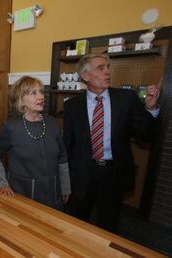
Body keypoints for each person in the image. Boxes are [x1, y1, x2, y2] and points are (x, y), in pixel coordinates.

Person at [63, 53, 161, 233]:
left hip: (113, 172)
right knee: (77, 220)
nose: (108, 72)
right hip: (83, 171)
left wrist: (151, 108)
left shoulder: (126, 98)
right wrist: (64, 178)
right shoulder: (72, 106)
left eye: (108, 67)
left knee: (109, 223)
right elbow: (68, 144)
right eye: (100, 68)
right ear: (85, 76)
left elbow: (146, 135)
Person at [0, 76, 71, 210]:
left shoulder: (52, 123)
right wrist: (2, 183)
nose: (41, 97)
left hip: (53, 195)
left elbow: (62, 157)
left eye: (41, 92)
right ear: (21, 99)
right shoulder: (11, 127)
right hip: (24, 196)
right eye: (33, 93)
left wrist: (65, 187)